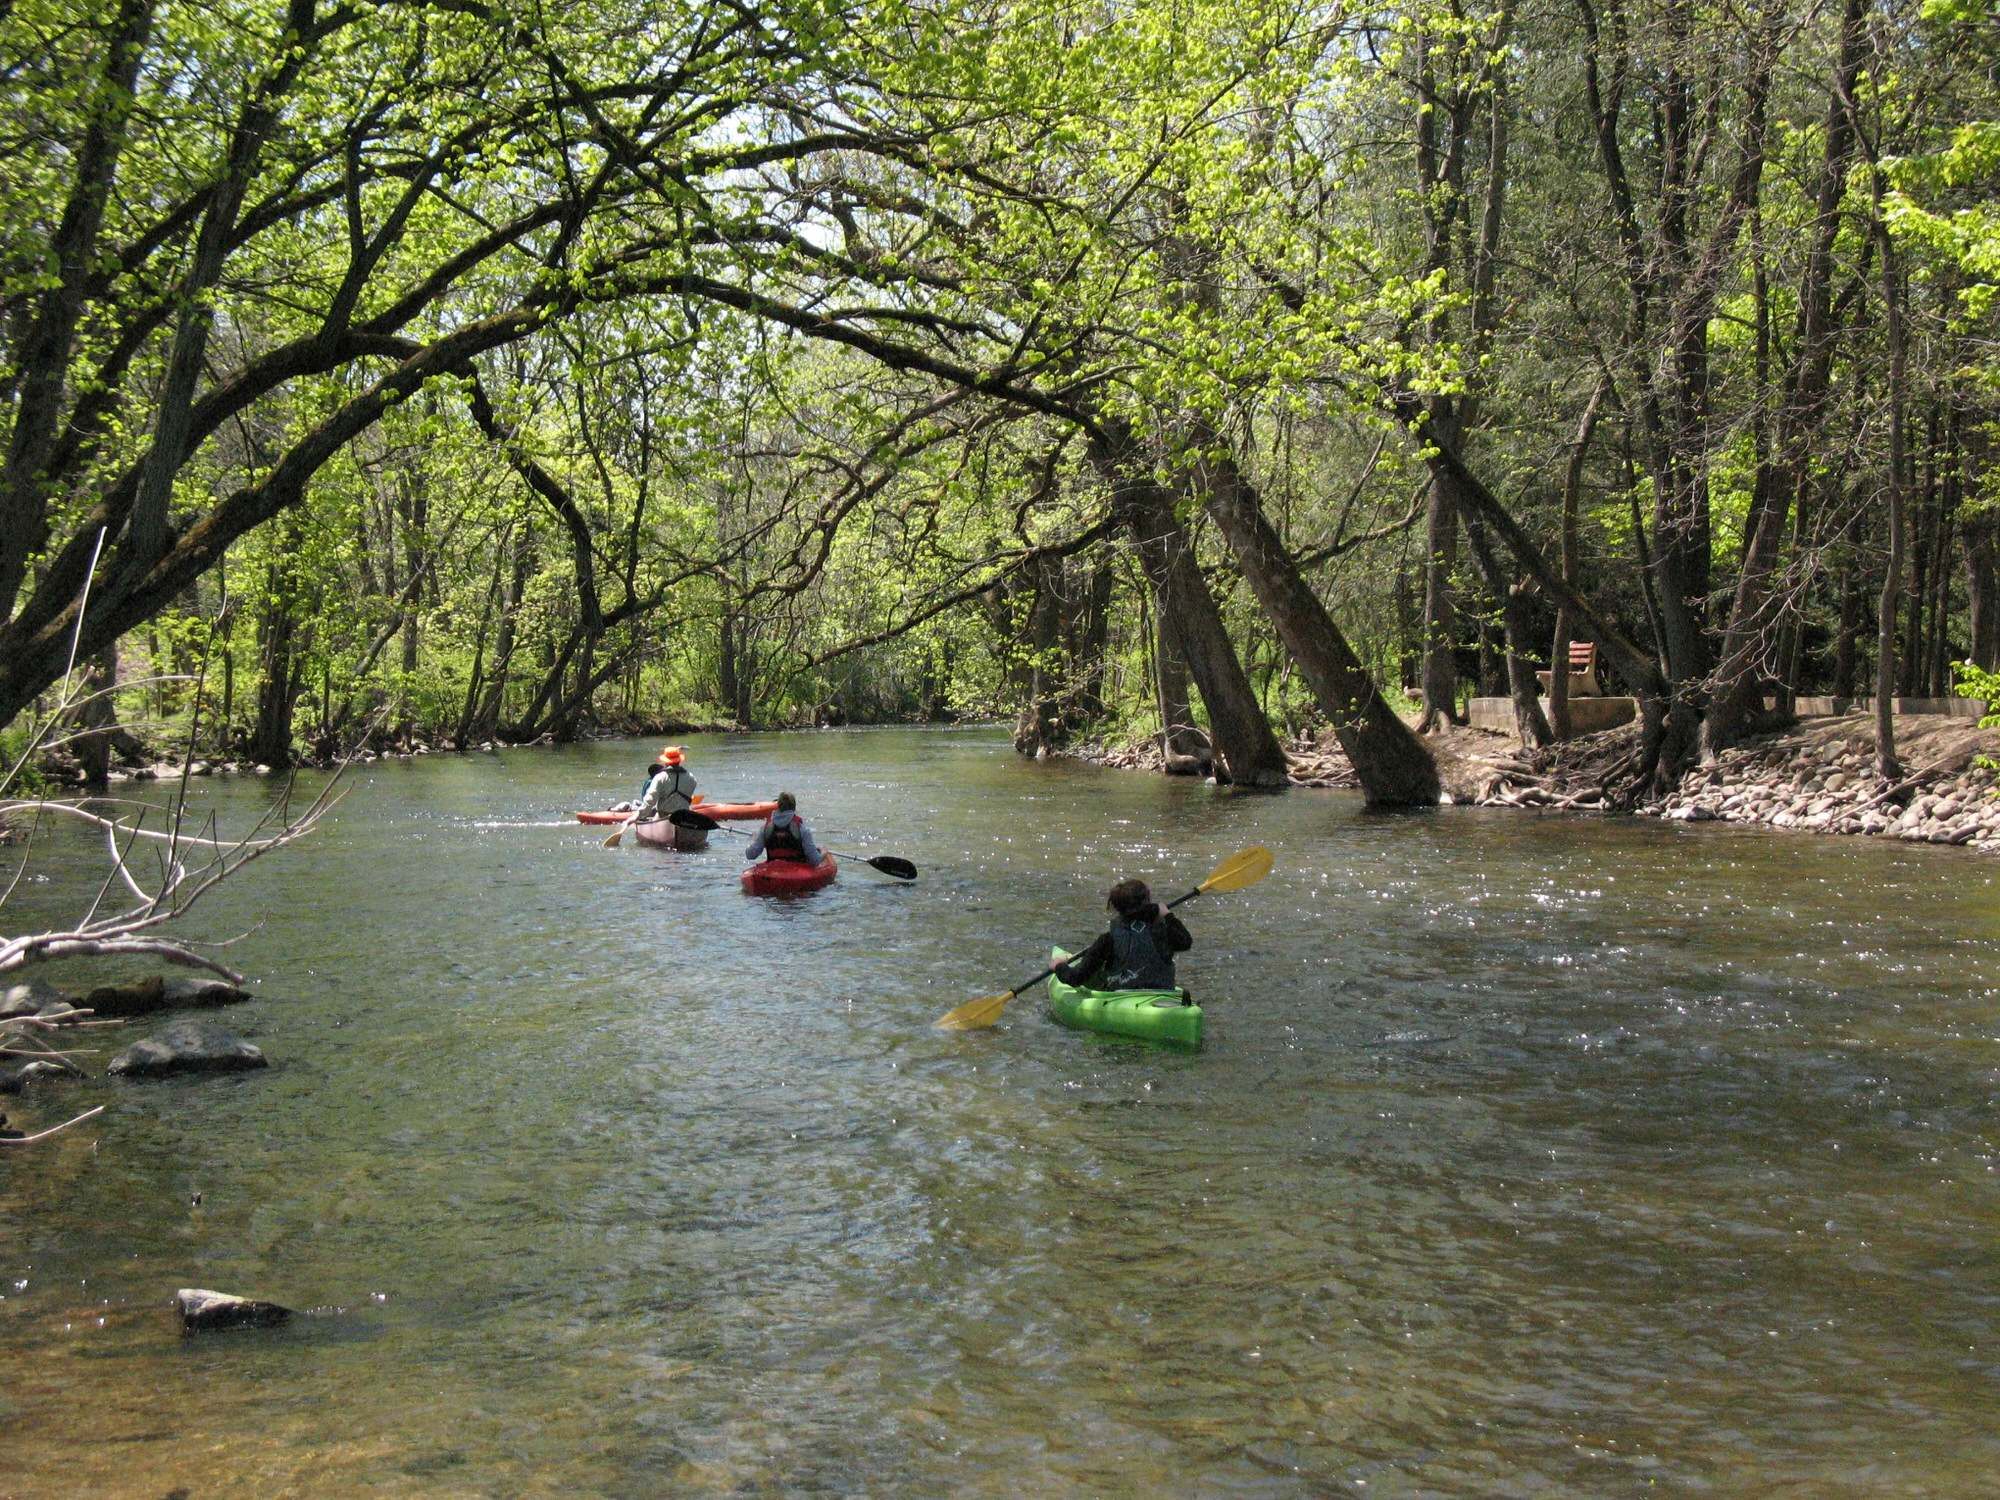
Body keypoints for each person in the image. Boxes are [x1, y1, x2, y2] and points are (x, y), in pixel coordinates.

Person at [1053, 878, 1192, 992]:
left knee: (1093, 975)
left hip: (1122, 996)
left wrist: (1059, 966)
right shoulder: (1162, 931)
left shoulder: (1108, 940)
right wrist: (1168, 916)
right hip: (1162, 993)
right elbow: (1186, 942)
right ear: (1148, 903)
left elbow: (1075, 978)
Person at [745, 791, 823, 865]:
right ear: (794, 808)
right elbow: (815, 860)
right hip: (796, 871)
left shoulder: (765, 829)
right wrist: (824, 853)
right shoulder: (802, 829)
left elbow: (750, 855)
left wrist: (756, 840)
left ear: (778, 806)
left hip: (774, 872)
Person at [629, 746, 697, 822]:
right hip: (683, 818)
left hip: (663, 817)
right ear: (679, 760)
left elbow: (649, 802)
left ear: (666, 761)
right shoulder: (691, 778)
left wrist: (634, 817)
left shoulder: (659, 777)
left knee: (653, 819)